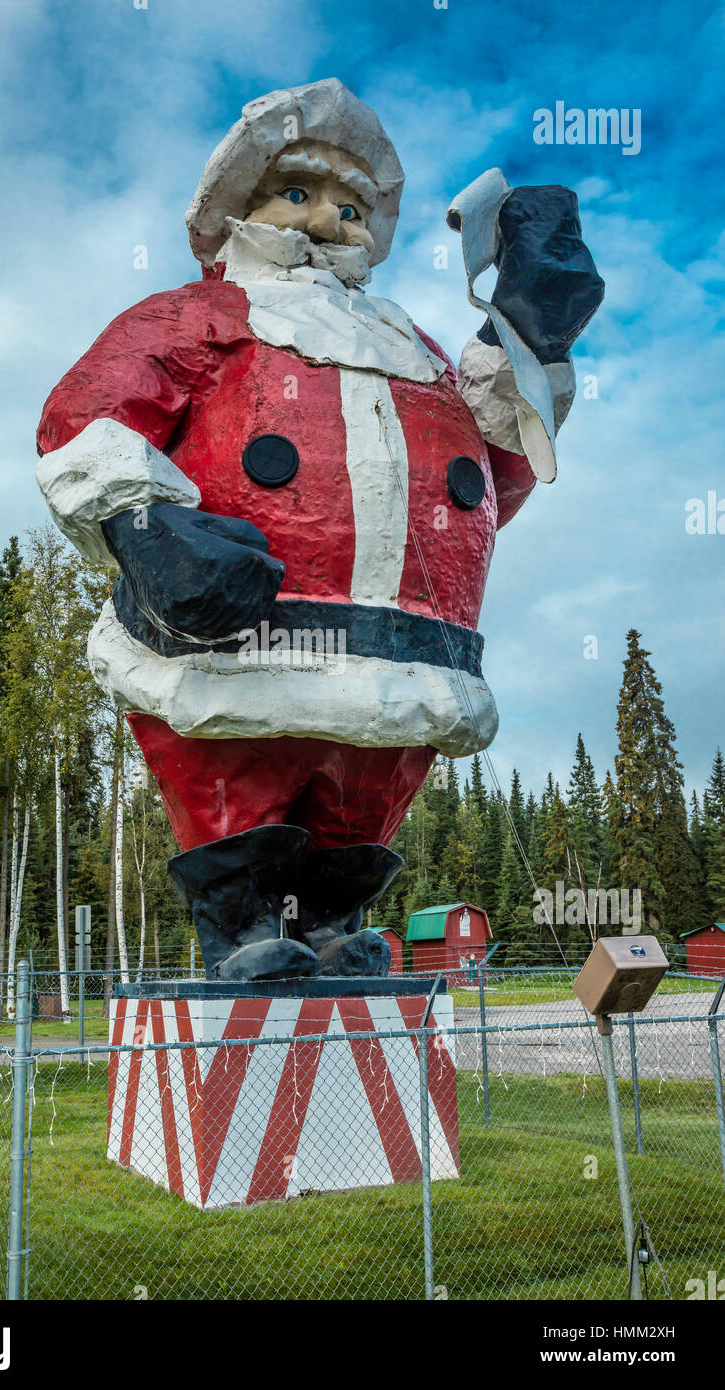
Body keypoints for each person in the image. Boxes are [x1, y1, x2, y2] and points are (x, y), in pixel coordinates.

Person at [36, 78, 603, 981]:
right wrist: (145, 528)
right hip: (242, 627)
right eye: (297, 192)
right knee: (240, 769)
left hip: (408, 643)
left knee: (366, 780)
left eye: (351, 207)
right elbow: (92, 415)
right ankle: (244, 928)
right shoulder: (195, 317)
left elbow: (495, 476)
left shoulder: (413, 345)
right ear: (240, 204)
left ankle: (334, 923)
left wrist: (530, 342)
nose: (327, 221)